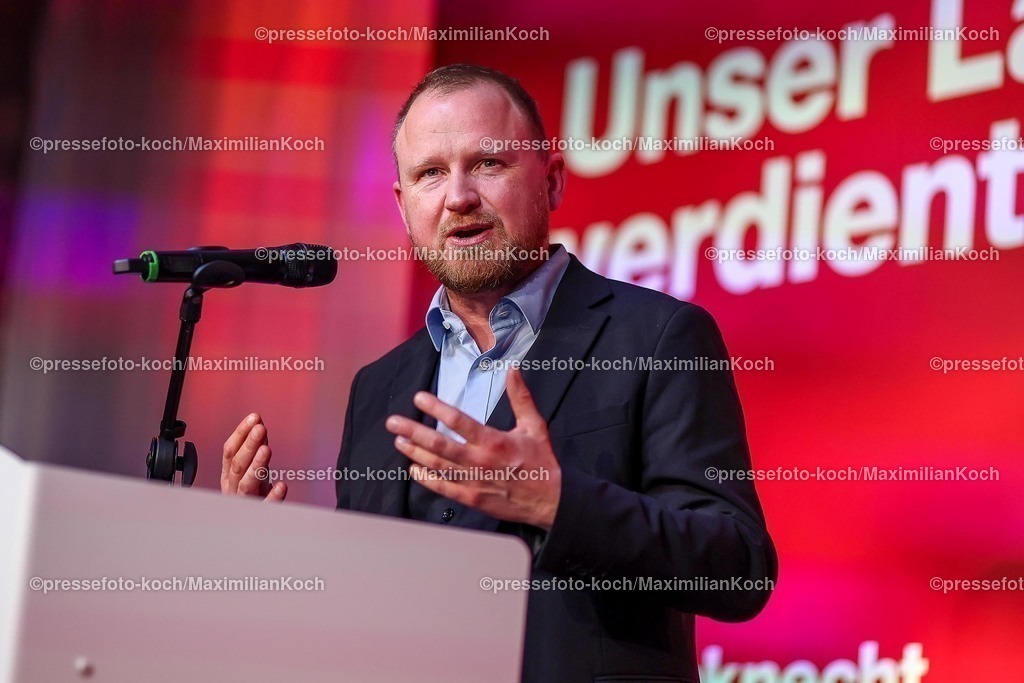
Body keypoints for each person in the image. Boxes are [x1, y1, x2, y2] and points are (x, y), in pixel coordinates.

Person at [221, 63, 777, 683]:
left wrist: (560, 504)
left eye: (487, 163)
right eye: (431, 174)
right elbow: (371, 619)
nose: (458, 196)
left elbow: (739, 566)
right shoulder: (377, 386)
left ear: (553, 180)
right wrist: (269, 557)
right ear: (405, 208)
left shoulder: (657, 337)